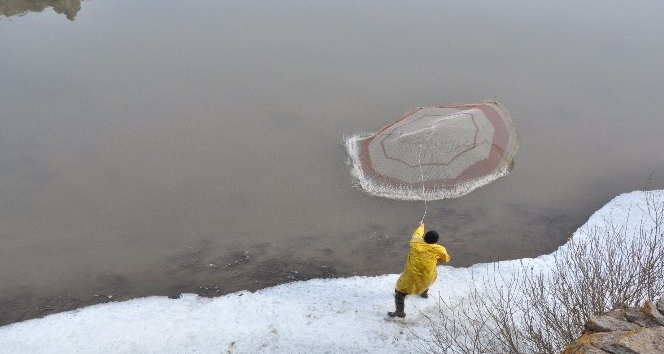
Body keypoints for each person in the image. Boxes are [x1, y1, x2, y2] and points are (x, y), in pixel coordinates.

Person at [388, 220, 450, 318]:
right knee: (425, 281)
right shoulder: (440, 249)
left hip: (411, 275)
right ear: (436, 241)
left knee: (399, 291)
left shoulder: (415, 242)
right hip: (428, 275)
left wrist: (421, 226)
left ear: (424, 237)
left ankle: (400, 312)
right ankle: (424, 293)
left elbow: (417, 234)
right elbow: (445, 260)